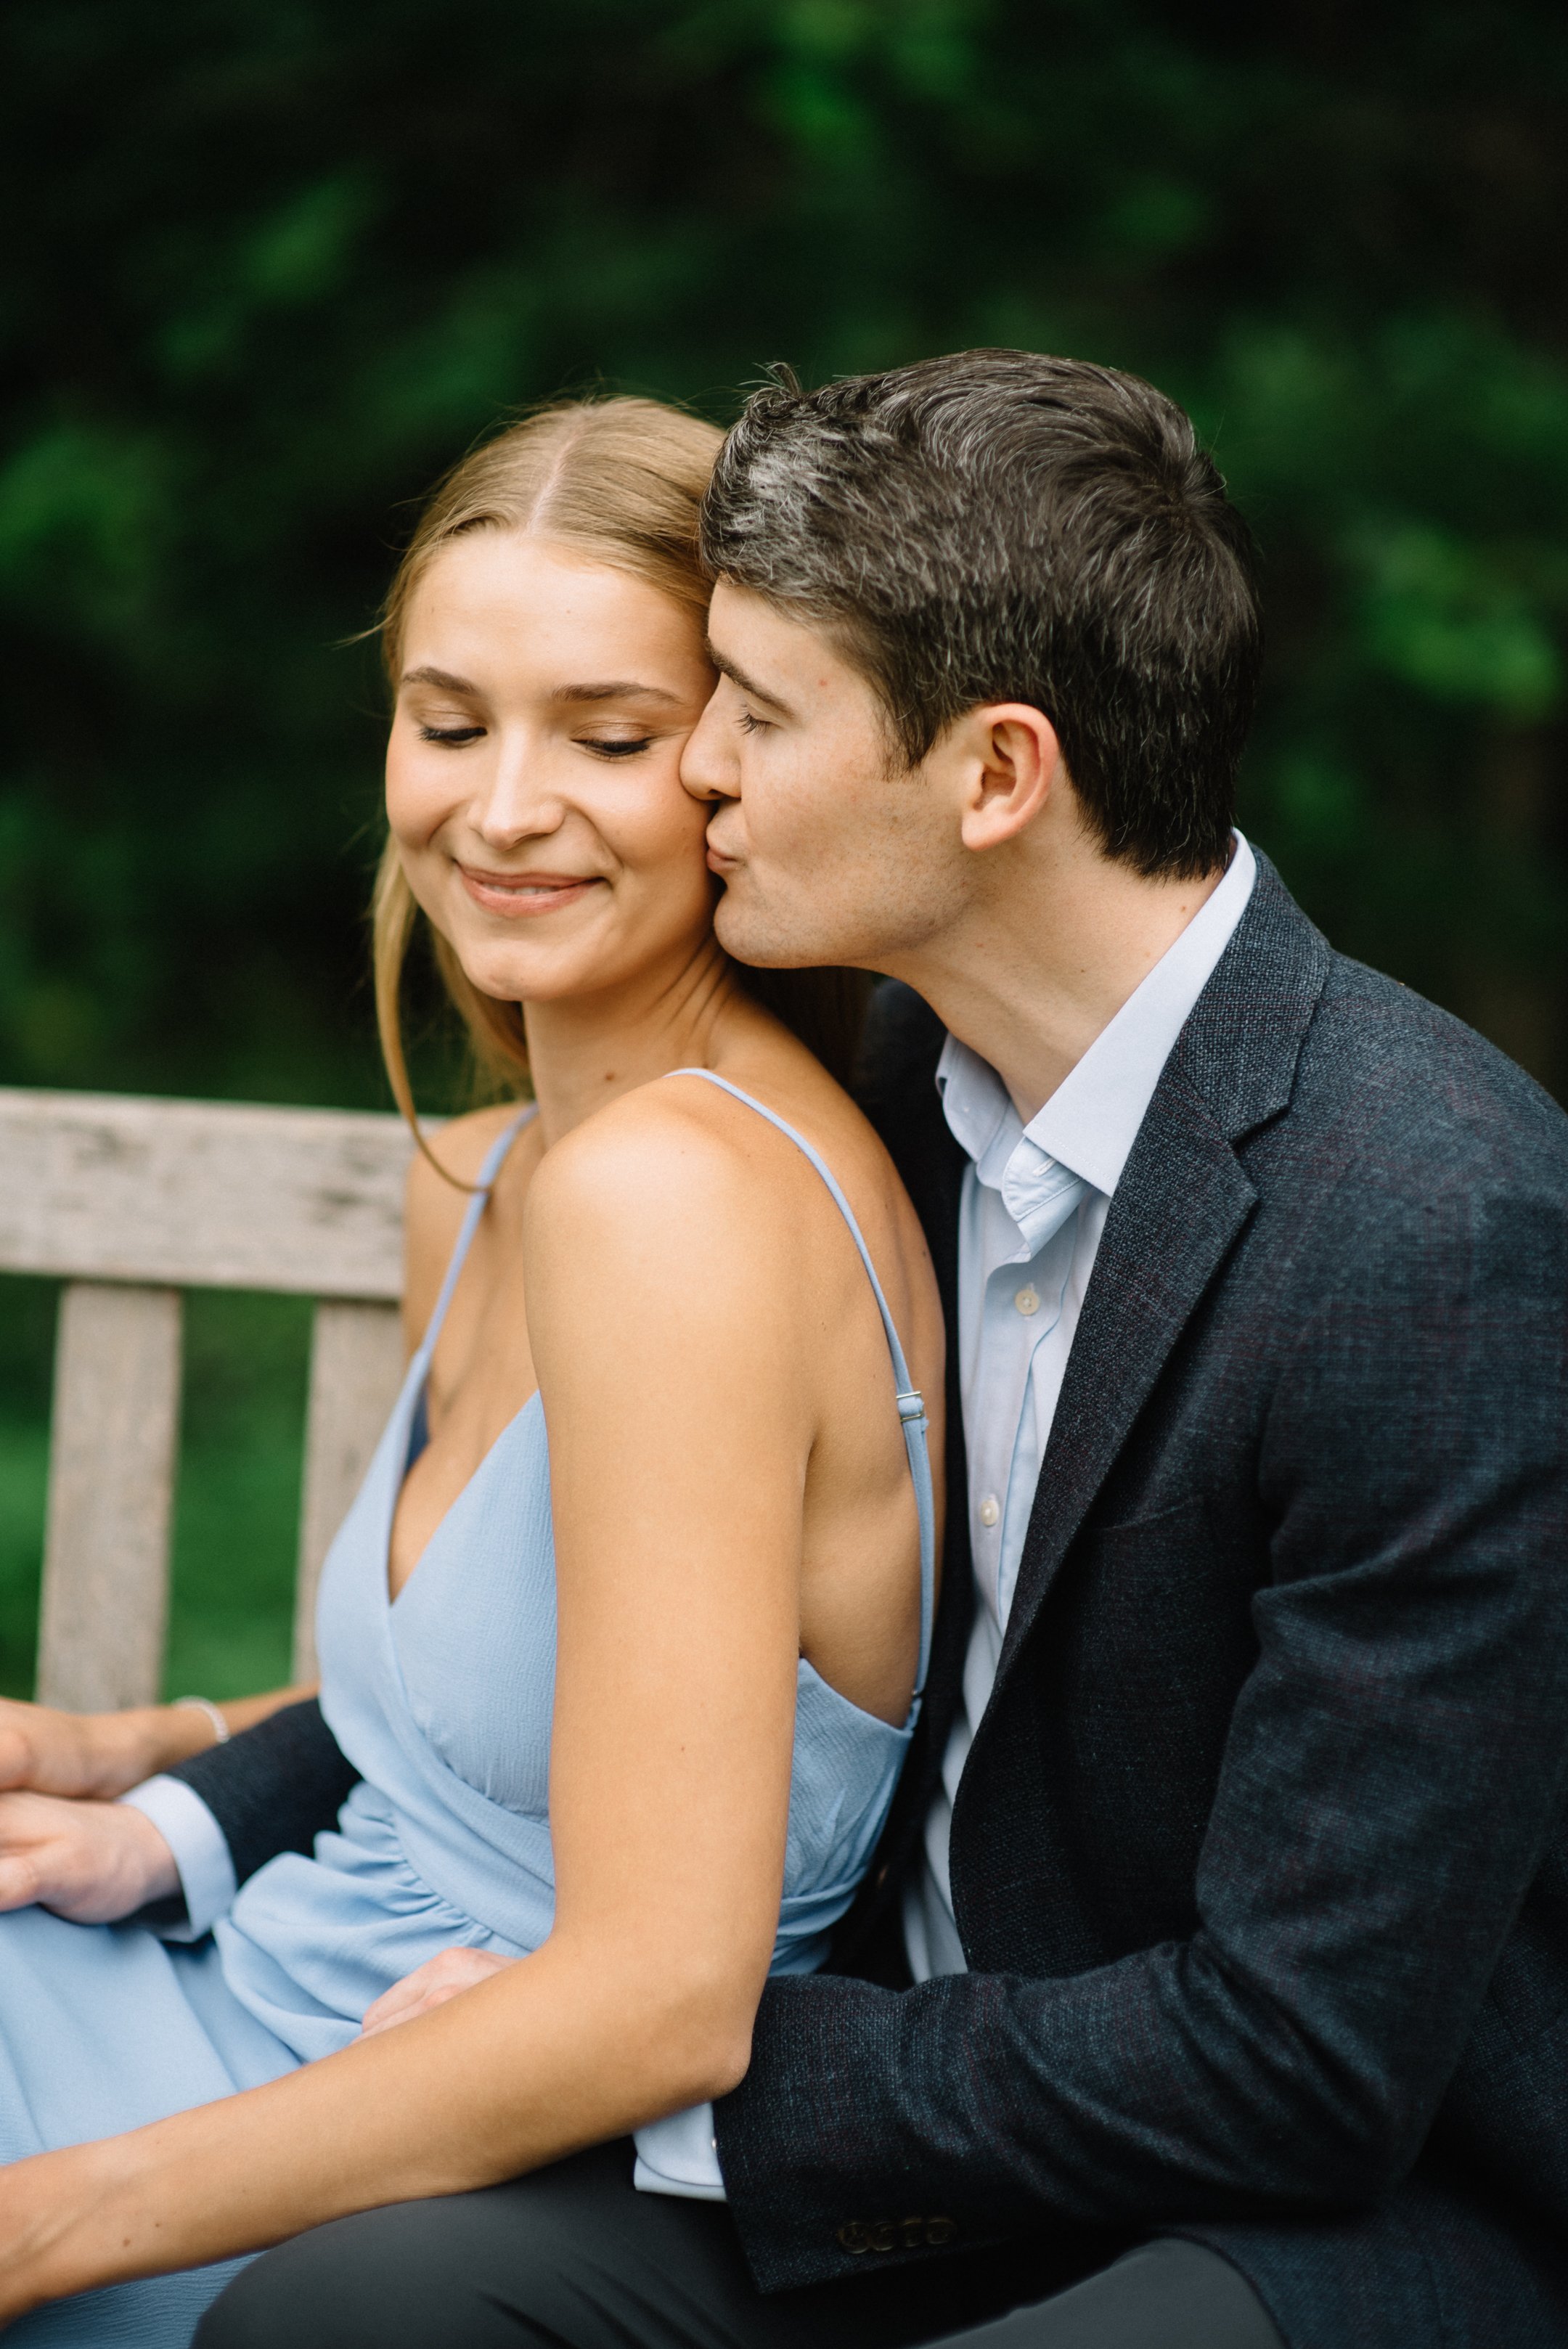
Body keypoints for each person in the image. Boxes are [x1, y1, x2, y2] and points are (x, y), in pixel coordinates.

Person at [9, 348, 1568, 2349]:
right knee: (354, 2311)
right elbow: (592, 1645)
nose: (703, 777)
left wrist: (731, 2074)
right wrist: (175, 1778)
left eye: (743, 714)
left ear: (994, 775)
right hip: (893, 2129)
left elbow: (1304, 2051)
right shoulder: (908, 1073)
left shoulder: (1435, 1231)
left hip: (1285, 2198)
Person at [0, 393, 950, 2342]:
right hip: (239, 1978)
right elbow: (520, 1690)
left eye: (606, 736)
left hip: (384, 2156)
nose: (500, 806)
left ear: (744, 760)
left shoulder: (684, 1204)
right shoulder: (505, 1163)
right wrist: (140, 1757)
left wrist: (40, 2222)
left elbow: (660, 1989)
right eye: (449, 722)